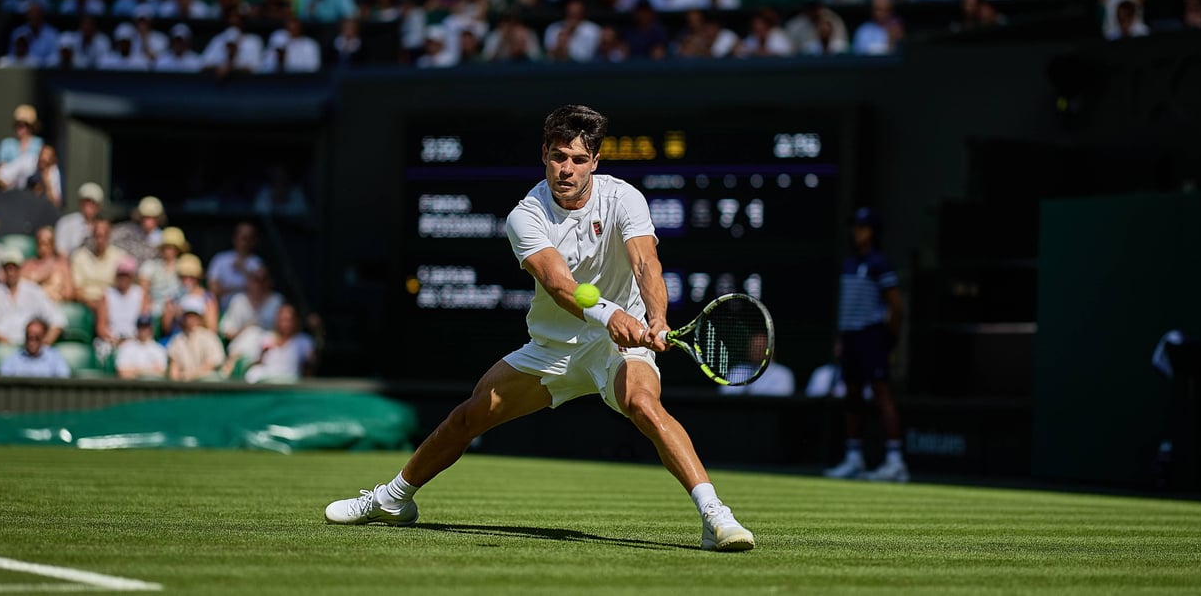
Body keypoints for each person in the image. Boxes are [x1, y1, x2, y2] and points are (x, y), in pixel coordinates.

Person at [324, 104, 756, 552]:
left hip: (618, 351)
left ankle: (715, 517)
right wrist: (613, 317)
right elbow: (559, 285)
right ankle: (392, 500)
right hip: (553, 348)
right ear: (544, 155)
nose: (565, 169)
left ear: (595, 162)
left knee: (644, 404)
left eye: (577, 159)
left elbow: (647, 264)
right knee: (468, 417)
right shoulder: (525, 215)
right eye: (557, 156)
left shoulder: (623, 197)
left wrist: (657, 319)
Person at [824, 207, 908, 483]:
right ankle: (854, 458)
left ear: (873, 232)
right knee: (852, 396)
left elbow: (896, 305)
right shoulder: (849, 263)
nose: (856, 232)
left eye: (862, 227)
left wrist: (888, 339)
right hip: (851, 338)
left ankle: (895, 461)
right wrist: (842, 337)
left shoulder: (879, 263)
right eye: (855, 227)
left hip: (872, 336)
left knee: (882, 394)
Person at [244, 302, 313, 383]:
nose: (285, 324)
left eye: (289, 320)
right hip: (267, 382)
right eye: (282, 320)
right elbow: (255, 363)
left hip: (291, 382)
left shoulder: (304, 341)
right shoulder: (266, 337)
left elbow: (309, 369)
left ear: (296, 320)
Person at [166, 293, 228, 381]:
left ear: (200, 317)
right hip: (186, 387)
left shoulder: (209, 337)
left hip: (207, 388)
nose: (190, 320)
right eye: (187, 316)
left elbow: (212, 365)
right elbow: (174, 371)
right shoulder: (177, 341)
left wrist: (191, 375)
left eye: (193, 316)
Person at [718, 332, 795, 397]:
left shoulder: (782, 374)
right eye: (753, 347)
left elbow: (780, 399)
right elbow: (725, 396)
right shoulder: (736, 370)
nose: (755, 351)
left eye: (759, 347)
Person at [207, 221, 263, 310]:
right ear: (235, 238)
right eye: (243, 238)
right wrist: (241, 289)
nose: (245, 242)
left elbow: (261, 289)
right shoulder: (220, 259)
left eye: (249, 238)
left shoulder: (257, 262)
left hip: (250, 310)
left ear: (253, 241)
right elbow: (213, 289)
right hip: (223, 309)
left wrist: (244, 270)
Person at [0, 318, 70, 378]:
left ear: (43, 338)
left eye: (37, 338)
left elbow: (63, 381)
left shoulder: (55, 358)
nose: (32, 342)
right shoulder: (13, 358)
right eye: (29, 338)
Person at [22, 226, 76, 303]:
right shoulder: (28, 265)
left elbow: (69, 293)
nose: (43, 247)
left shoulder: (62, 265)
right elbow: (19, 289)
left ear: (53, 244)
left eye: (47, 242)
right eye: (40, 242)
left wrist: (54, 293)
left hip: (55, 305)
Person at [55, 182, 105, 255]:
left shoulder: (103, 226)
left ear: (99, 206)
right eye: (86, 201)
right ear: (80, 203)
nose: (89, 206)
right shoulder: (66, 222)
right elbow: (60, 251)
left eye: (93, 202)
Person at [114, 314, 168, 379]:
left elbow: (161, 373)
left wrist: (135, 371)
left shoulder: (159, 349)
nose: (143, 330)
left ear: (151, 329)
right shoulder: (126, 347)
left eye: (146, 327)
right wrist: (150, 370)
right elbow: (121, 372)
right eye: (141, 327)